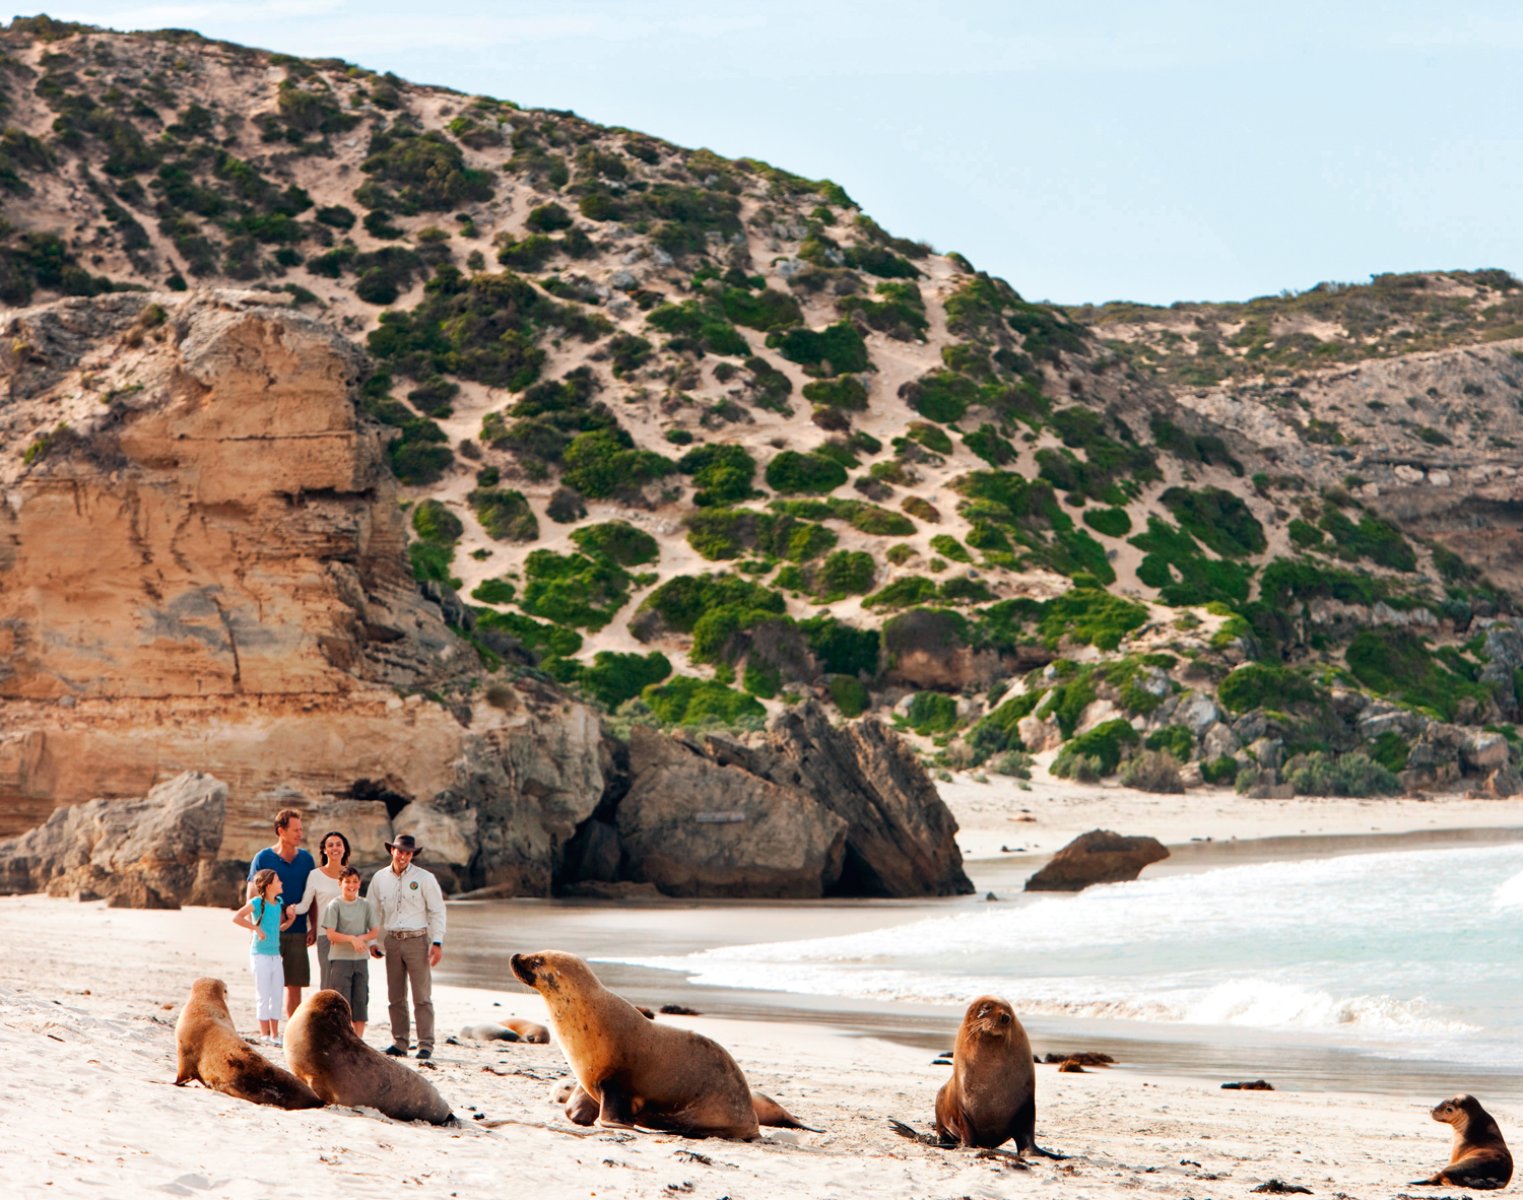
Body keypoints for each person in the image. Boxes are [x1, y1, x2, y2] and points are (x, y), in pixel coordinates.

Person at [367, 834, 446, 1060]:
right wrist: (372, 941)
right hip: (392, 940)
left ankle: (425, 1045)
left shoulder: (425, 878)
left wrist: (437, 941)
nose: (403, 856)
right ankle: (400, 1042)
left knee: (422, 996)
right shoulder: (380, 878)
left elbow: (437, 910)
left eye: (408, 853)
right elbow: (372, 911)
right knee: (395, 996)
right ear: (392, 851)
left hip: (417, 940)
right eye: (400, 851)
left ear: (412, 855)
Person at [246, 808, 315, 1019]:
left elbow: (310, 895)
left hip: (297, 931)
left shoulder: (306, 860)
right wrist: (255, 929)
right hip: (269, 933)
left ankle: (293, 1031)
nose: (299, 834)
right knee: (269, 984)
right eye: (295, 830)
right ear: (281, 831)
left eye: (301, 829)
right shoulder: (263, 858)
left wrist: (312, 926)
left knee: (295, 984)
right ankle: (269, 1031)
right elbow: (251, 895)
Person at [232, 867, 296, 1044]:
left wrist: (290, 919)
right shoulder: (255, 902)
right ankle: (264, 1034)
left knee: (276, 995)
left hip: (276, 956)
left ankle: (275, 1035)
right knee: (263, 995)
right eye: (278, 881)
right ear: (268, 886)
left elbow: (279, 928)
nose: (281, 883)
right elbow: (237, 917)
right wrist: (256, 928)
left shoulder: (278, 903)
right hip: (259, 955)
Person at [321, 865, 380, 1036]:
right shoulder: (335, 905)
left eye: (355, 881)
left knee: (361, 1001)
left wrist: (361, 939)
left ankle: (358, 1040)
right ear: (340, 883)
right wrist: (352, 939)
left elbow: (374, 931)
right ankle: (343, 1038)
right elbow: (331, 934)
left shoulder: (365, 905)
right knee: (342, 1002)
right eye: (347, 882)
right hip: (340, 960)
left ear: (360, 883)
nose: (351, 885)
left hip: (361, 960)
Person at [288, 830, 350, 990]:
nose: (335, 848)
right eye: (330, 845)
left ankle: (346, 1015)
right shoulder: (315, 875)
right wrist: (290, 909)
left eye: (338, 845)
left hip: (349, 936)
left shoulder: (350, 875)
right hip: (325, 936)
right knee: (328, 982)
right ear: (324, 850)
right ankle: (327, 1016)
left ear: (344, 849)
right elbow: (305, 905)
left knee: (347, 983)